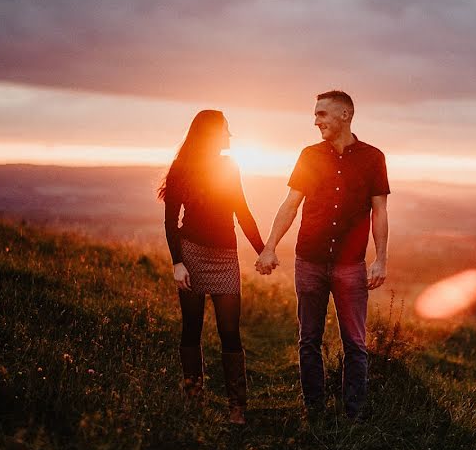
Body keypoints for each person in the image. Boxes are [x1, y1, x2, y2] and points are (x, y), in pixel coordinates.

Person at [256, 90, 389, 420]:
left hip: (350, 265)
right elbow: (290, 205)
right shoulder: (309, 155)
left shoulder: (373, 157)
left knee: (356, 344)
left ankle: (354, 417)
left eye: (322, 114)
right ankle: (314, 412)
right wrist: (270, 246)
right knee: (308, 340)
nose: (316, 121)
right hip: (309, 261)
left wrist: (381, 258)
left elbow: (380, 212)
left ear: (345, 115)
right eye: (315, 115)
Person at [159, 109, 265, 425]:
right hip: (190, 253)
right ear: (209, 133)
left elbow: (242, 213)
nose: (229, 135)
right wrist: (178, 263)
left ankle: (237, 407)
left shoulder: (229, 167)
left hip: (225, 258)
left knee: (229, 331)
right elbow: (170, 221)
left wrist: (263, 251)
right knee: (192, 328)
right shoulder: (181, 169)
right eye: (225, 129)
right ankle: (194, 400)